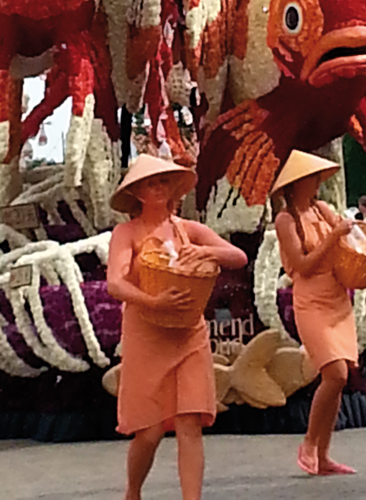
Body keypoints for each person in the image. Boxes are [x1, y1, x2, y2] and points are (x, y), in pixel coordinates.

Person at [106, 154, 248, 500]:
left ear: (173, 189)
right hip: (145, 333)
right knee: (150, 430)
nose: (158, 188)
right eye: (150, 183)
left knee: (190, 423)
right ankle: (133, 491)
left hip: (189, 333)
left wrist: (208, 254)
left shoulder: (189, 230)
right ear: (137, 192)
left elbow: (239, 257)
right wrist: (152, 302)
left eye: (164, 182)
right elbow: (115, 283)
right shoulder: (126, 233)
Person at [272, 150, 356, 475]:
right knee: (336, 373)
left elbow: (348, 247)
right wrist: (335, 237)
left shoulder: (322, 210)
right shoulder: (285, 220)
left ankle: (323, 455)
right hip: (310, 300)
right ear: (295, 184)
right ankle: (308, 443)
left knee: (337, 378)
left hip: (336, 296)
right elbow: (303, 266)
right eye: (311, 178)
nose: (317, 183)